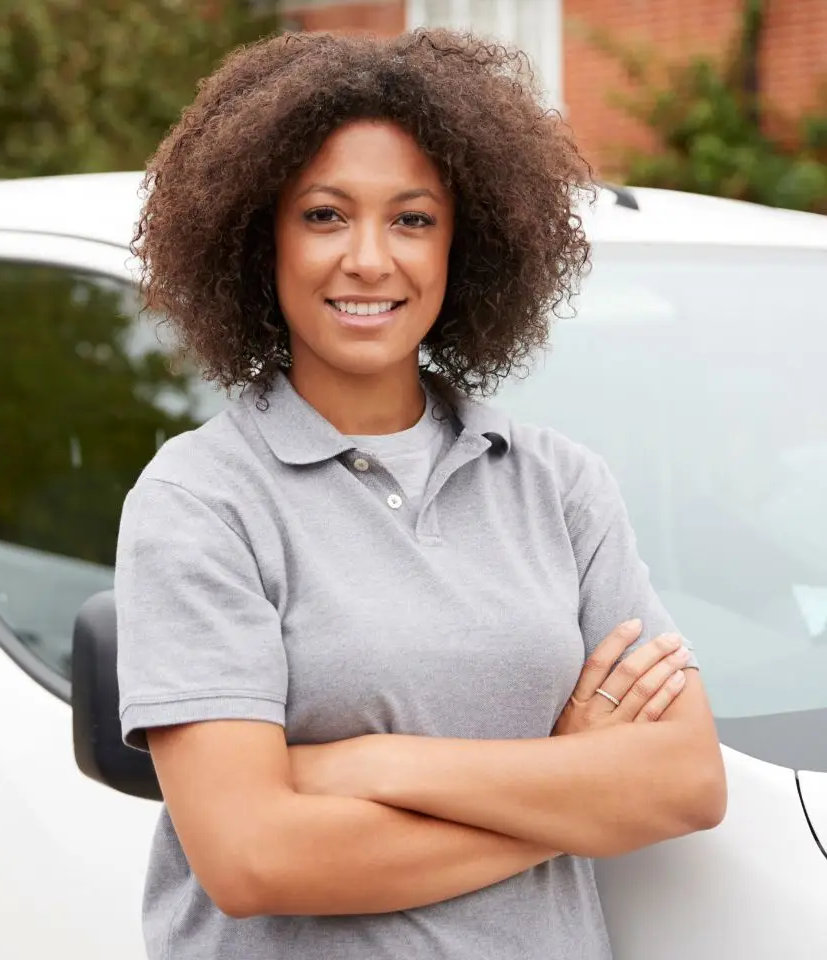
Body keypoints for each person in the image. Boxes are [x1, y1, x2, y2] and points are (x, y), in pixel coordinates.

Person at [114, 28, 727, 960]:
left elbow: (685, 783)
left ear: (463, 243)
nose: (369, 258)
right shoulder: (202, 499)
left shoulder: (557, 484)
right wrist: (573, 789)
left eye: (412, 218)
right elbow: (251, 859)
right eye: (324, 215)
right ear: (258, 237)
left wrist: (371, 765)